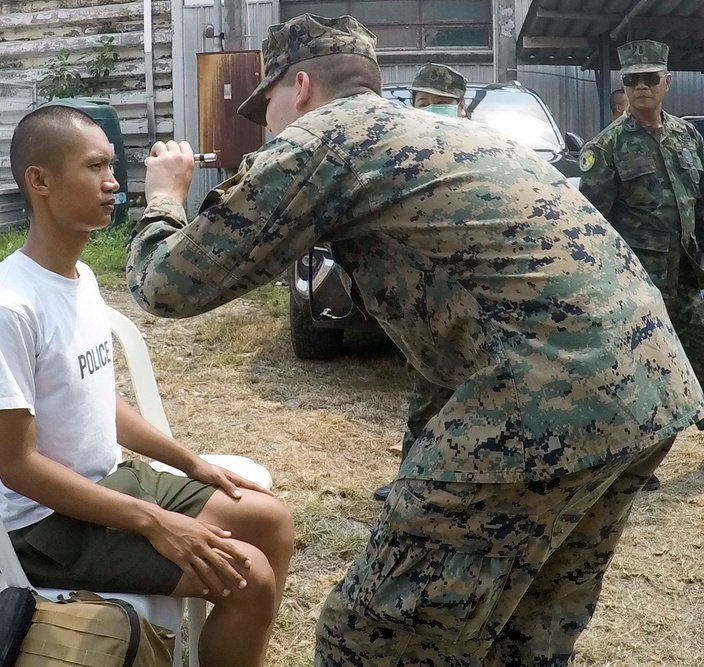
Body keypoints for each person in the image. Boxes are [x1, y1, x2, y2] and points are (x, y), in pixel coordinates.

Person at [126, 14, 704, 666]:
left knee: (372, 635)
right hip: (652, 386)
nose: (269, 124)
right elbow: (457, 328)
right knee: (524, 631)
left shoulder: (324, 138)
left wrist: (163, 199)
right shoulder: (448, 133)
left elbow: (169, 284)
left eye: (270, 106)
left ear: (304, 86)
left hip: (549, 398)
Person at [0, 104, 294, 667]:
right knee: (250, 578)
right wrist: (157, 522)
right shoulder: (6, 307)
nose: (114, 183)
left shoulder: (79, 277)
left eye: (113, 166)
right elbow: (16, 466)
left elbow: (96, 398)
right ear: (38, 181)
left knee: (272, 519)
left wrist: (191, 462)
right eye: (95, 167)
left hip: (112, 483)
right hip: (48, 526)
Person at [580, 39, 704, 493]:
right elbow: (592, 224)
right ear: (624, 87)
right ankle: (634, 464)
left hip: (687, 277)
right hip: (638, 286)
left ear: (667, 83)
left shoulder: (687, 137)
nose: (641, 87)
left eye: (650, 78)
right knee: (639, 374)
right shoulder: (605, 148)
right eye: (631, 80)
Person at [372, 61, 466, 503]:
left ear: (461, 107)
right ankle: (410, 481)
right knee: (429, 390)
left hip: (478, 295)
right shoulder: (402, 151)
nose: (429, 110)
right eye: (421, 102)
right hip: (427, 297)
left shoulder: (481, 149)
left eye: (440, 104)